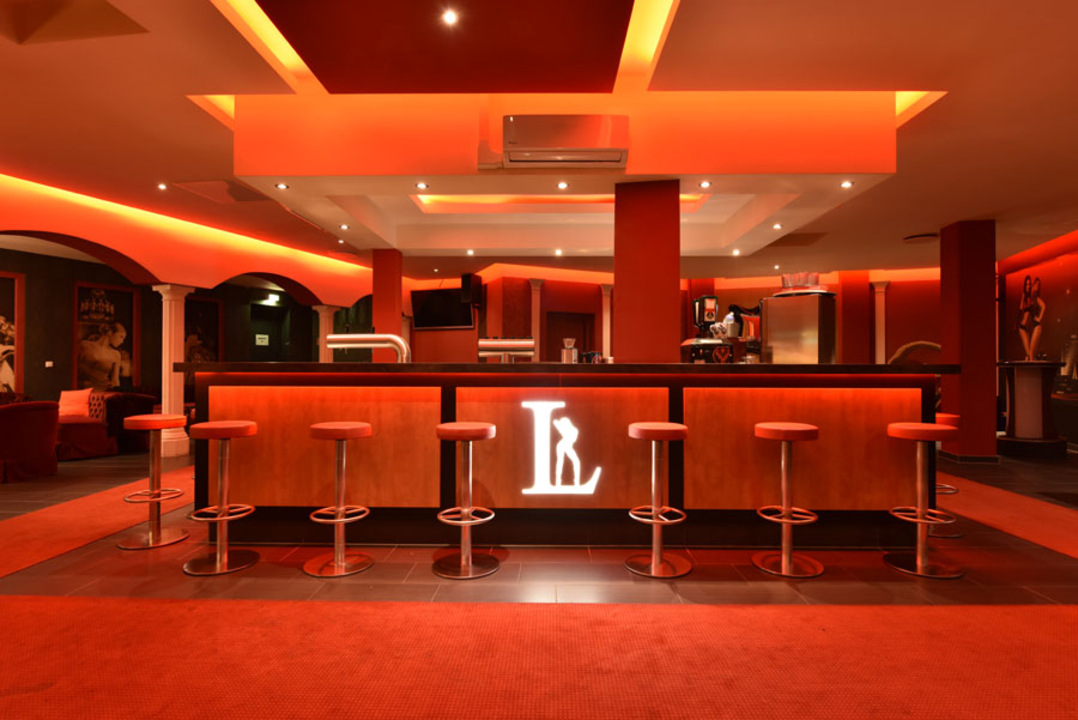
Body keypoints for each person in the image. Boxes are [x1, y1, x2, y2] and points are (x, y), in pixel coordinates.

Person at [78, 322, 127, 389]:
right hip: (82, 388)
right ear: (110, 333)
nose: (122, 341)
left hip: (102, 389)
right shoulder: (85, 345)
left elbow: (115, 381)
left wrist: (114, 388)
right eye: (121, 337)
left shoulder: (116, 354)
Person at [1017, 275, 1046, 361]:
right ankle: (1027, 367)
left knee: (1030, 353)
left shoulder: (1036, 298)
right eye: (1035, 284)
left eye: (1038, 285)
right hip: (1029, 327)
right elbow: (1021, 309)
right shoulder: (1029, 297)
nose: (1035, 286)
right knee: (1029, 354)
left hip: (1036, 326)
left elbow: (1044, 306)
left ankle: (1031, 368)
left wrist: (1039, 318)